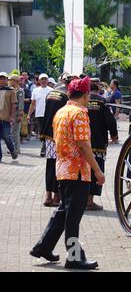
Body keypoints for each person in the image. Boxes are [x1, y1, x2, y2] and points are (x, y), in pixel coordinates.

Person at [30, 76, 105, 270]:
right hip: (77, 172)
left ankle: (43, 247)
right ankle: (74, 257)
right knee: (72, 217)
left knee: (64, 212)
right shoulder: (79, 113)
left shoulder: (62, 112)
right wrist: (97, 170)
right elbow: (83, 145)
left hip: (63, 170)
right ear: (86, 94)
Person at [40, 76, 74, 207]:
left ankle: (48, 194)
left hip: (48, 132)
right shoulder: (67, 96)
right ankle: (56, 196)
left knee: (50, 163)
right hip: (60, 134)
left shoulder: (51, 92)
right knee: (59, 164)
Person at [87, 79, 118, 211]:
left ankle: (81, 200)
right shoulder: (102, 101)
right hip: (98, 142)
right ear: (99, 90)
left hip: (83, 141)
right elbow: (110, 121)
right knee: (96, 169)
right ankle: (89, 201)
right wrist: (114, 135)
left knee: (84, 170)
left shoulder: (82, 101)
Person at [28, 73, 53, 157]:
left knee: (47, 132)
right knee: (41, 133)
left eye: (45, 79)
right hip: (39, 114)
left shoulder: (51, 90)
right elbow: (33, 103)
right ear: (39, 80)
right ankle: (44, 147)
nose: (43, 81)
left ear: (47, 80)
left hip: (49, 114)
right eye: (42, 79)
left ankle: (44, 149)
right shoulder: (35, 90)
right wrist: (29, 114)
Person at [0, 72, 18, 162]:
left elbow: (14, 105)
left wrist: (12, 116)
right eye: (0, 79)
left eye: (4, 79)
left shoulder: (11, 91)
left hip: (6, 118)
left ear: (7, 80)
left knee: (7, 136)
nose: (2, 81)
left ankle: (12, 150)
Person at [8, 75, 24, 154]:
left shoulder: (20, 91)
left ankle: (16, 149)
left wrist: (20, 115)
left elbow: (21, 103)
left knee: (15, 132)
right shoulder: (11, 90)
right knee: (11, 132)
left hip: (17, 113)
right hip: (11, 112)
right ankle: (13, 148)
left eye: (11, 80)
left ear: (15, 81)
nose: (10, 82)